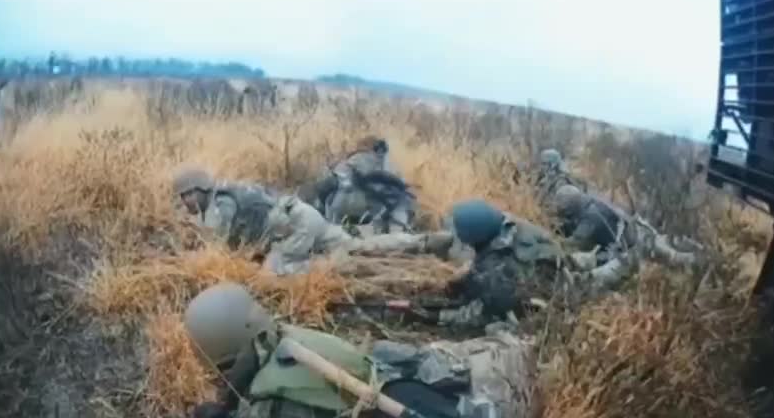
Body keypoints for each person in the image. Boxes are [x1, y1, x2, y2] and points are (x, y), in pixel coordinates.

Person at [184, 282, 535, 418]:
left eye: (225, 367)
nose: (221, 379)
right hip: (409, 391)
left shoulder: (276, 398)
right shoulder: (288, 339)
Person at [436, 199, 565, 330]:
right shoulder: (506, 224)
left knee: (493, 328)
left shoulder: (499, 268)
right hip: (553, 278)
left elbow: (482, 315)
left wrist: (440, 316)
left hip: (547, 310)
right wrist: (465, 283)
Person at [261, 195, 453, 275]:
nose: (282, 234)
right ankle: (422, 244)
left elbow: (290, 254)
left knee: (374, 252)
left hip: (336, 250)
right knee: (373, 248)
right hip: (331, 247)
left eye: (282, 230)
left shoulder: (304, 222)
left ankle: (423, 244)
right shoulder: (290, 208)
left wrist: (269, 265)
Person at [551, 184, 697, 288]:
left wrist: (551, 242)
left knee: (593, 279)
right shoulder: (590, 201)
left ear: (572, 207)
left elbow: (574, 243)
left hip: (629, 251)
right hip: (636, 237)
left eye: (565, 211)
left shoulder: (591, 216)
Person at [173, 166, 278, 250]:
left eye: (190, 194)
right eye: (183, 196)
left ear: (203, 189)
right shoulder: (213, 200)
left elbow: (218, 244)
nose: (186, 200)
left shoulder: (222, 201)